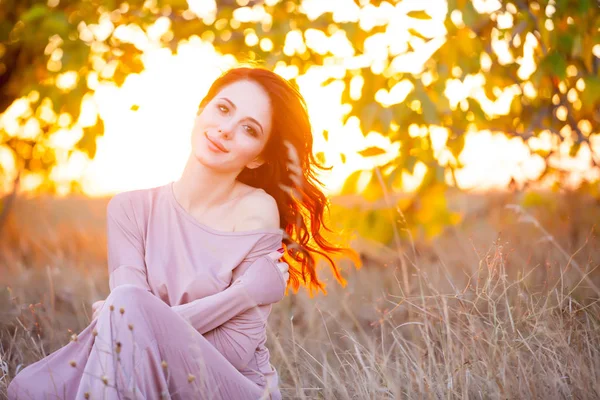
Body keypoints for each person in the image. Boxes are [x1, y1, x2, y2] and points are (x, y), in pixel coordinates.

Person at [7, 65, 357, 399]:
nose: (225, 129)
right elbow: (129, 331)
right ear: (200, 111)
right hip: (141, 374)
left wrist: (124, 316)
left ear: (257, 158)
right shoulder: (129, 209)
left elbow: (232, 351)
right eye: (223, 109)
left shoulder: (256, 210)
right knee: (30, 387)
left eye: (249, 129)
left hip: (229, 387)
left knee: (121, 313)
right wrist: (241, 295)